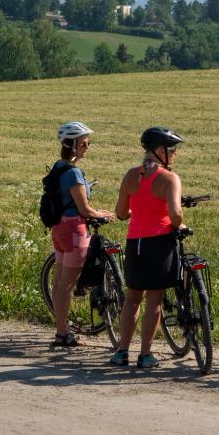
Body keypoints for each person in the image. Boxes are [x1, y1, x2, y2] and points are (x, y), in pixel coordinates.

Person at [112, 126, 186, 368]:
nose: (174, 154)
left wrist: (140, 210)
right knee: (154, 300)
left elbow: (121, 212)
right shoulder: (169, 178)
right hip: (159, 242)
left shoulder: (131, 175)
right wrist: (180, 224)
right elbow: (175, 213)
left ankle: (122, 350)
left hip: (135, 242)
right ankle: (145, 354)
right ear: (160, 151)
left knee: (132, 299)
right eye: (172, 149)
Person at [45, 121, 114, 349]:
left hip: (59, 229)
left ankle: (61, 329)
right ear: (72, 145)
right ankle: (63, 333)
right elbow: (84, 209)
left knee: (59, 282)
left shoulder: (59, 166)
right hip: (75, 230)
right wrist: (101, 214)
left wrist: (96, 211)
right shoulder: (73, 173)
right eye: (84, 142)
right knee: (67, 285)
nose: (88, 146)